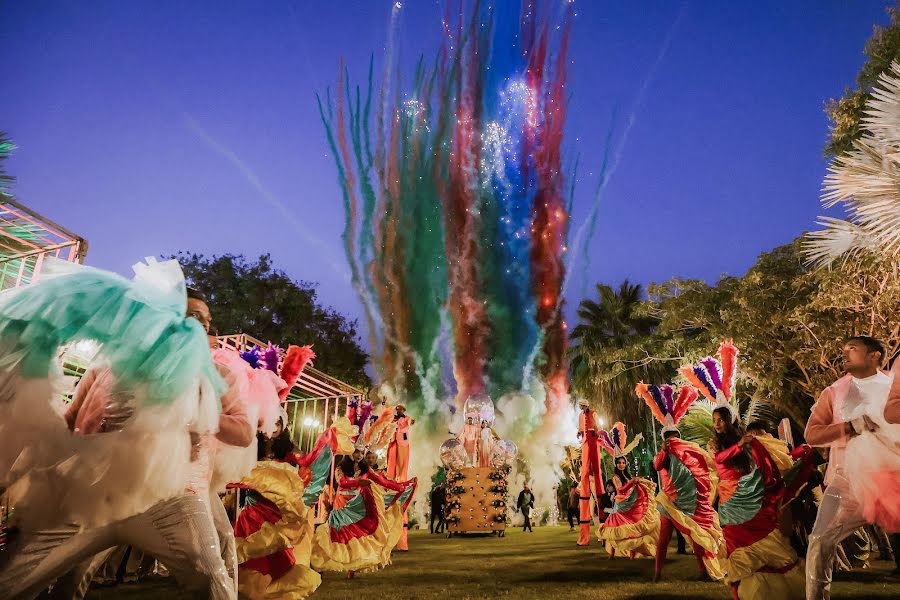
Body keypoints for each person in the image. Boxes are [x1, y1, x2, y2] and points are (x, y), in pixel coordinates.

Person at [0, 261, 238, 600]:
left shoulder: (210, 374)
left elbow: (238, 430)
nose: (200, 326)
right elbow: (70, 422)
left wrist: (199, 419)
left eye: (205, 321)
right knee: (14, 576)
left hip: (169, 496)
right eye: (193, 316)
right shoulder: (105, 366)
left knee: (208, 574)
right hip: (94, 491)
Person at [683, 341, 804, 600]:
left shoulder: (746, 440)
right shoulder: (716, 444)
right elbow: (719, 461)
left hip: (750, 496)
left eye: (720, 420)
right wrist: (740, 444)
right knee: (737, 548)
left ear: (730, 421)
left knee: (765, 541)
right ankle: (739, 594)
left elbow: (753, 462)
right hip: (730, 504)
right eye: (714, 421)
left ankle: (775, 590)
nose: (716, 425)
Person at [805, 336, 900, 598]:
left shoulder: (894, 385)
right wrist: (849, 426)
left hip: (893, 478)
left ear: (874, 356)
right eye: (843, 348)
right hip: (847, 480)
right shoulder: (834, 392)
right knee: (820, 540)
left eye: (853, 349)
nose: (844, 353)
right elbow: (812, 434)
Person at [636, 382, 724, 583]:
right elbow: (657, 466)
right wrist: (665, 450)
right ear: (664, 439)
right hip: (668, 502)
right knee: (664, 539)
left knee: (696, 535)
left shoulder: (687, 452)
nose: (673, 439)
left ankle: (703, 571)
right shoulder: (664, 454)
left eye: (675, 437)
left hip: (687, 502)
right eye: (669, 437)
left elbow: (699, 468)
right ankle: (657, 573)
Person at [597, 423, 658, 559]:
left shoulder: (627, 475)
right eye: (619, 463)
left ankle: (631, 555)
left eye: (623, 462)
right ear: (616, 464)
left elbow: (633, 484)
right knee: (617, 532)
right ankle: (612, 554)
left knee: (632, 531)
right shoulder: (616, 476)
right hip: (621, 506)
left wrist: (644, 483)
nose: (622, 464)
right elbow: (620, 489)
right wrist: (632, 482)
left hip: (631, 504)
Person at [575, 398, 606, 546]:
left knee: (597, 472)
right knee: (585, 473)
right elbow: (581, 427)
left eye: (583, 405)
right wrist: (579, 432)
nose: (582, 407)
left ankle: (604, 534)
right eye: (580, 405)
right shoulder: (581, 415)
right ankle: (584, 537)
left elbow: (598, 425)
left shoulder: (593, 413)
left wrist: (596, 431)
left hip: (593, 442)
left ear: (587, 405)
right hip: (586, 443)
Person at [386, 404, 415, 551]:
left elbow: (411, 421)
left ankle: (402, 544)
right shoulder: (392, 419)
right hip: (393, 444)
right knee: (391, 465)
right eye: (397, 409)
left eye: (401, 409)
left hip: (402, 443)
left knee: (402, 467)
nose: (399, 411)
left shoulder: (406, 419)